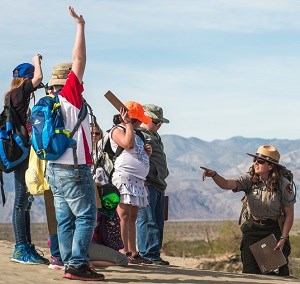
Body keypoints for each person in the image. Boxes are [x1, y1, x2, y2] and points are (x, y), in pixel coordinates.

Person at [45, 6, 104, 281]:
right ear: (69, 79)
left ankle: (70, 261)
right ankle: (77, 264)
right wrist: (80, 25)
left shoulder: (50, 100)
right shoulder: (70, 95)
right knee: (85, 217)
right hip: (73, 168)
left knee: (65, 218)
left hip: (53, 167)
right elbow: (78, 58)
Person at [201, 145, 296, 276]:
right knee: (250, 274)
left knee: (275, 276)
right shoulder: (249, 179)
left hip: (273, 231)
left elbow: (289, 215)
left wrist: (283, 239)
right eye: (255, 159)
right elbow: (226, 184)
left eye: (260, 161)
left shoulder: (283, 184)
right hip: (253, 231)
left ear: (270, 166)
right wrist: (214, 175)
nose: (256, 163)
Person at [7, 54, 49, 265]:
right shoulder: (18, 94)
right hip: (22, 154)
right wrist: (37, 61)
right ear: (26, 80)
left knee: (25, 202)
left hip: (21, 153)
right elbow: (39, 78)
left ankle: (26, 247)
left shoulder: (13, 96)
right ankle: (20, 248)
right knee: (21, 202)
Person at [110, 102, 153, 264]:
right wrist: (127, 123)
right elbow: (127, 144)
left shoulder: (136, 133)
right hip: (125, 177)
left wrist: (147, 153)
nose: (141, 123)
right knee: (124, 215)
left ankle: (133, 251)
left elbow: (136, 153)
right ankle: (123, 251)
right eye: (139, 120)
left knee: (133, 216)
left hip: (138, 180)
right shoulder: (118, 130)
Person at [136, 104, 170, 265]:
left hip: (158, 183)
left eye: (160, 123)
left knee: (157, 220)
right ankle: (147, 254)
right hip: (147, 183)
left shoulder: (154, 135)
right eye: (156, 122)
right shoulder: (139, 135)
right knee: (147, 219)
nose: (159, 126)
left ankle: (153, 253)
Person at [89, 184, 128, 267]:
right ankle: (84, 262)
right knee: (122, 260)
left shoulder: (110, 215)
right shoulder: (94, 212)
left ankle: (83, 261)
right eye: (108, 200)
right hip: (86, 246)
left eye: (115, 200)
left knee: (120, 258)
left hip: (90, 246)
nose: (111, 204)